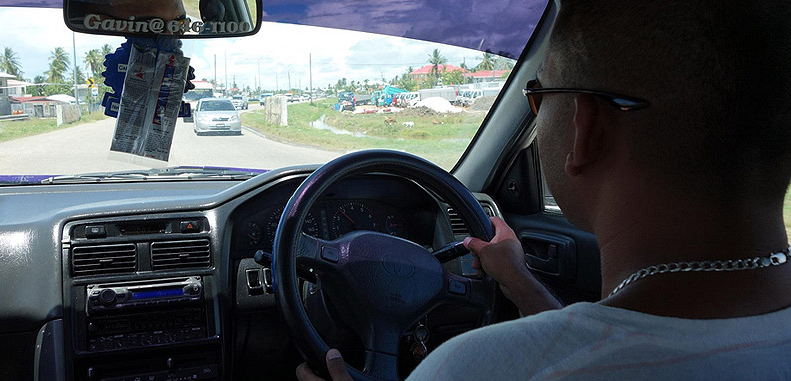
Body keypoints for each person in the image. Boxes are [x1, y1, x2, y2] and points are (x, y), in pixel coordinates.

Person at [298, 0, 791, 379]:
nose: (536, 112)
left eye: (537, 97)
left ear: (586, 130)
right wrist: (518, 280)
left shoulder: (479, 369)